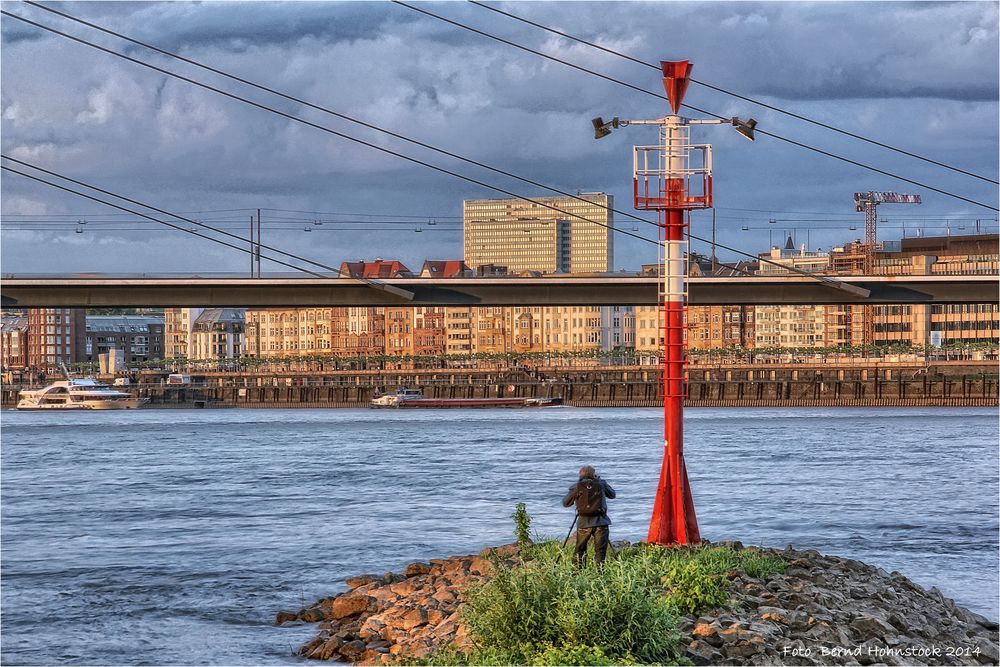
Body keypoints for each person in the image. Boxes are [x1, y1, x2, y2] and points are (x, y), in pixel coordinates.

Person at [562, 465, 616, 566]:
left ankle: (577, 573)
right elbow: (612, 495)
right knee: (600, 550)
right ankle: (600, 573)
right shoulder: (601, 484)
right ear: (594, 474)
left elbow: (566, 503)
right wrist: (600, 481)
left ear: (580, 475)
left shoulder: (576, 486)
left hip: (583, 523)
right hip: (601, 522)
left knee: (580, 549)